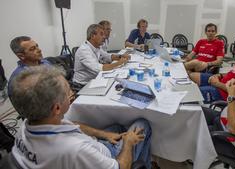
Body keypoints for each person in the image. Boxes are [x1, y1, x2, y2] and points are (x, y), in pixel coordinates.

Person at [10, 66, 152, 169]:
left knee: (117, 127)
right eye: (68, 91)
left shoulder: (27, 125)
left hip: (92, 148)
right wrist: (127, 144)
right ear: (57, 108)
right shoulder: (75, 149)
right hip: (108, 158)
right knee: (142, 125)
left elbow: (70, 123)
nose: (72, 93)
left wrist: (104, 134)